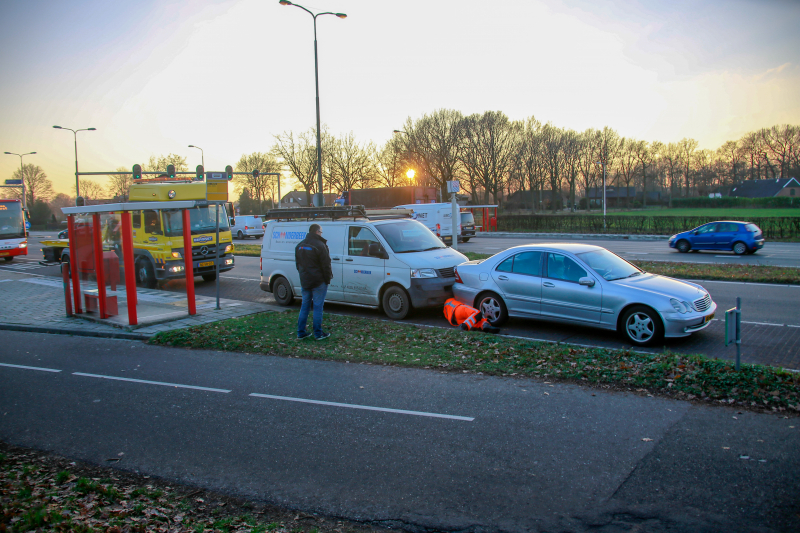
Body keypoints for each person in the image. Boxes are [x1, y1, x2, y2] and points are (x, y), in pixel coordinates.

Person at [295, 223, 333, 340]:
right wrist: (327, 279)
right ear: (317, 232)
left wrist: (303, 276)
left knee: (304, 306)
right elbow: (326, 265)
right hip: (318, 281)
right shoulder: (320, 245)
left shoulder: (300, 245)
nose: (321, 234)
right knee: (318, 307)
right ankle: (318, 333)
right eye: (321, 232)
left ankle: (301, 332)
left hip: (305, 281)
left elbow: (298, 264)